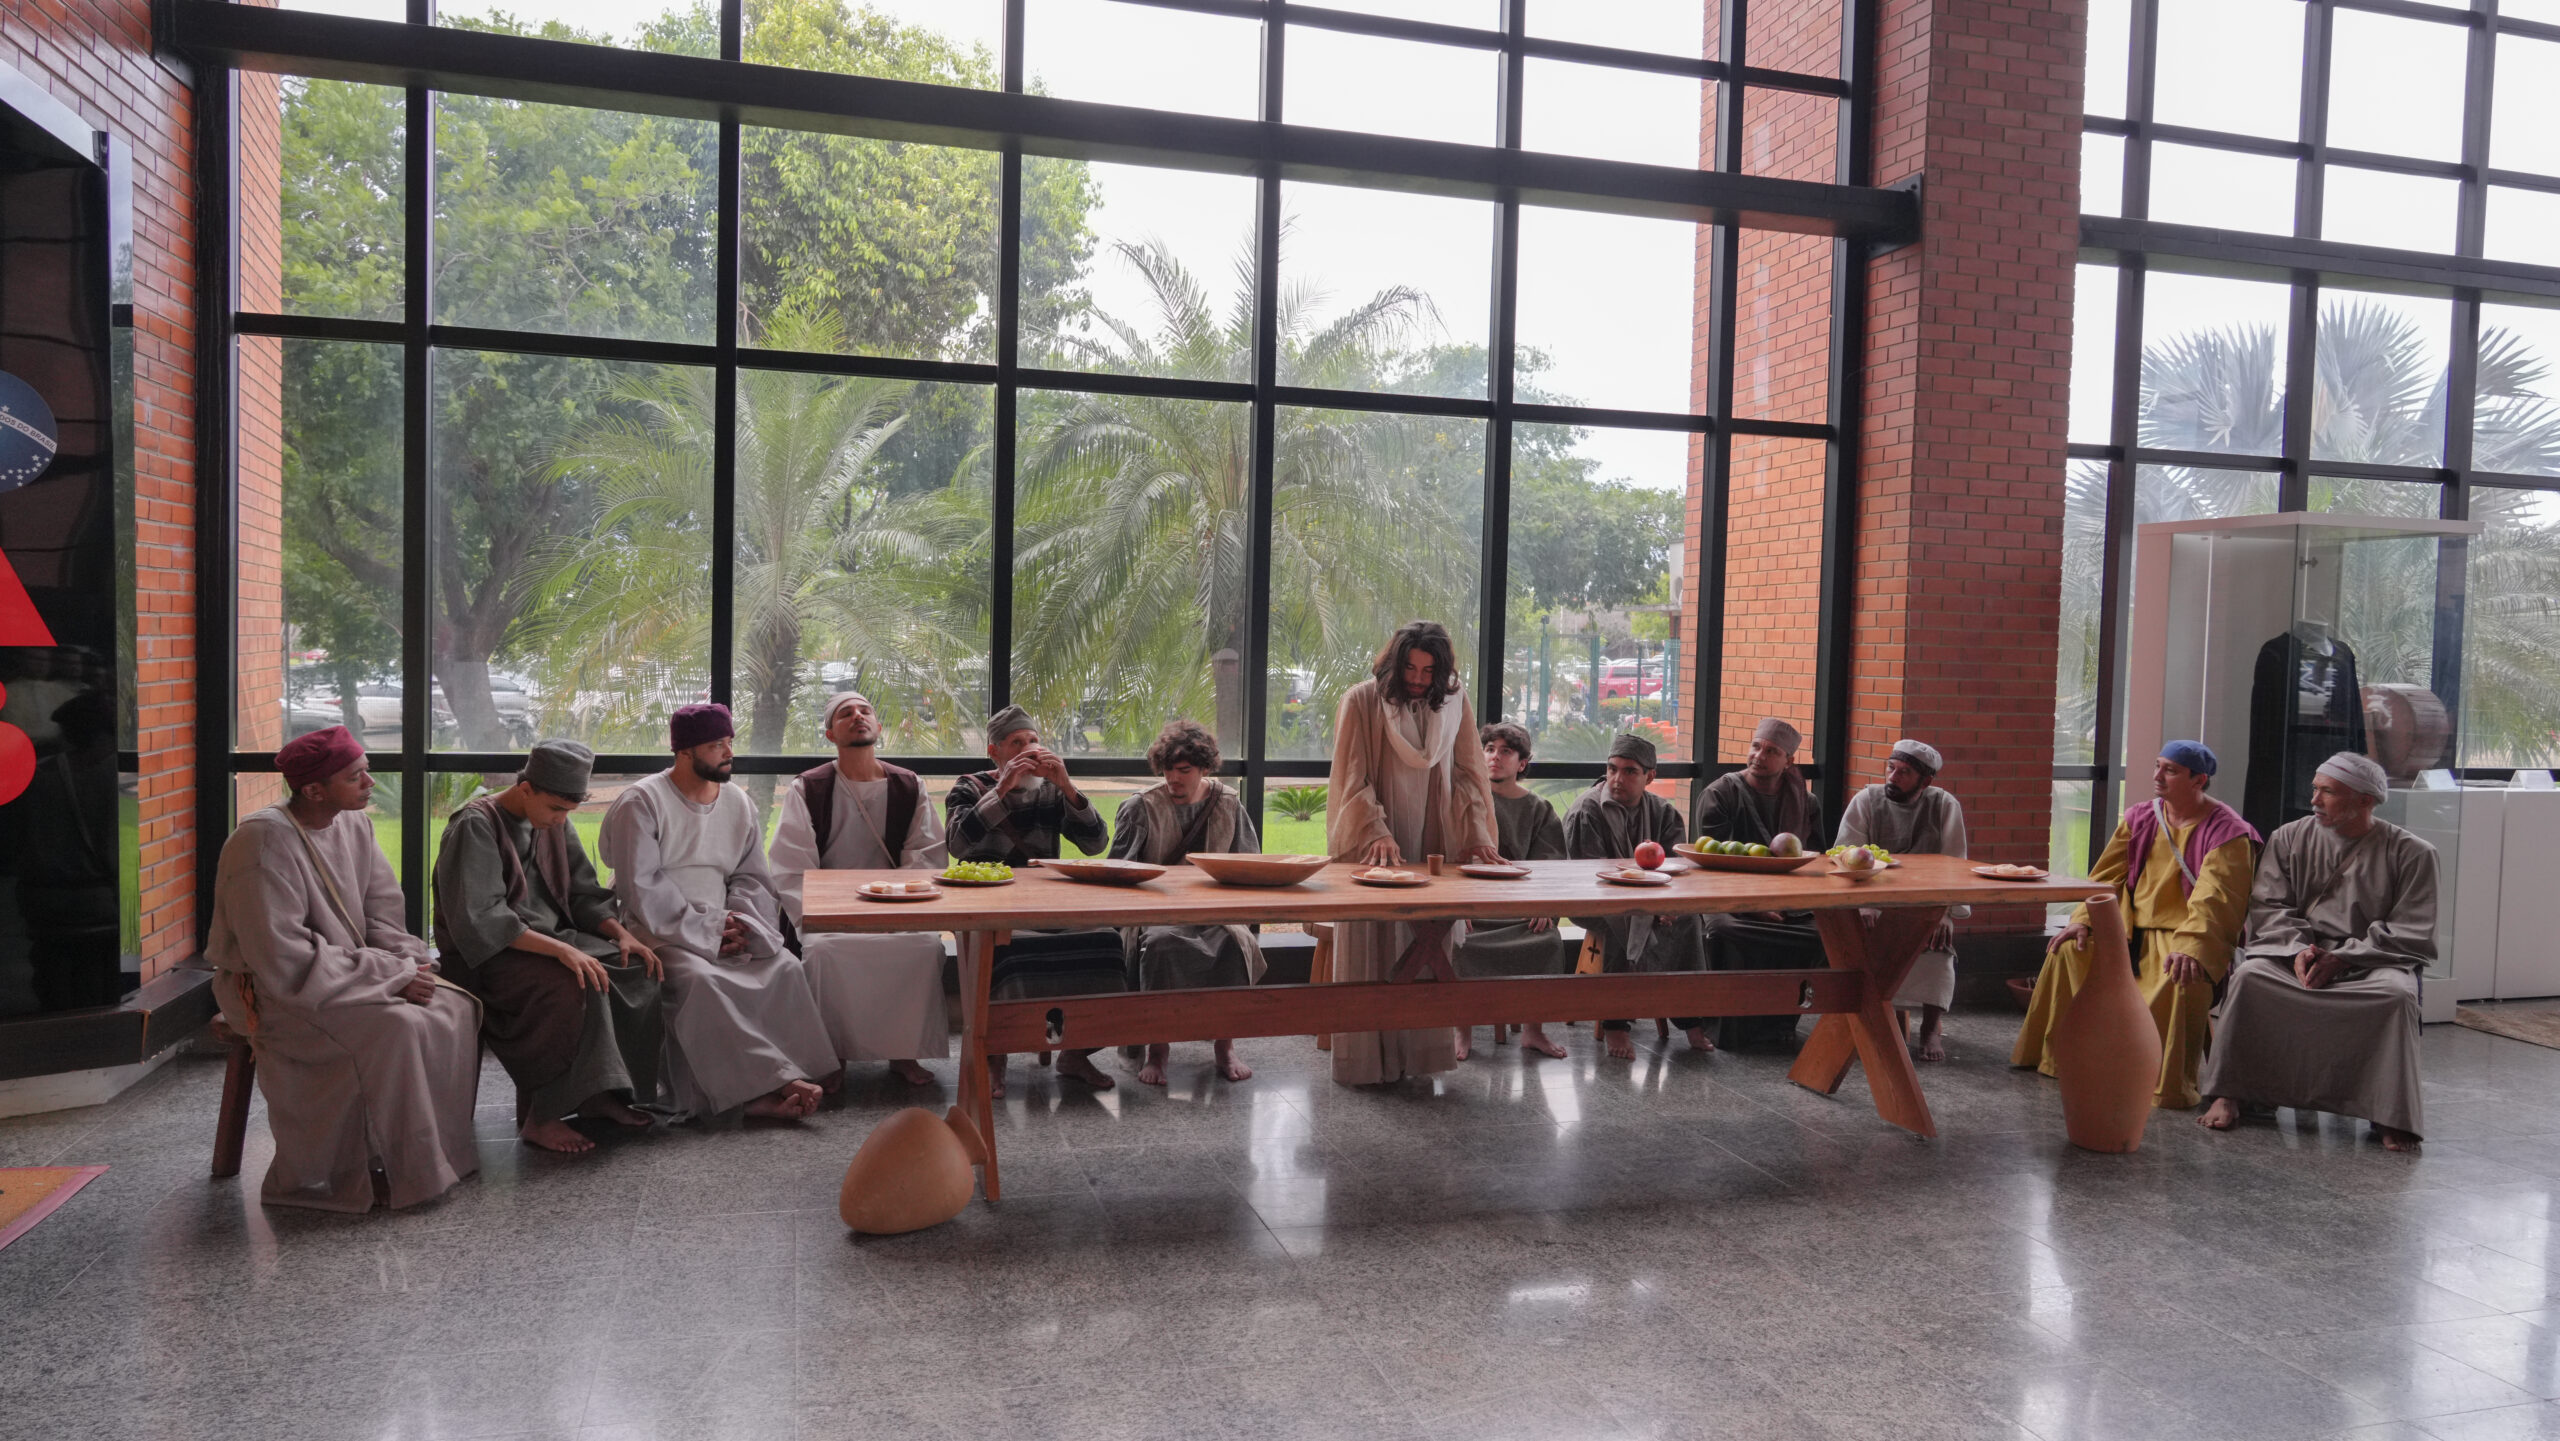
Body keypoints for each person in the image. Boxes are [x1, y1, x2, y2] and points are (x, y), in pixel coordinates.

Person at [204, 726, 480, 1211]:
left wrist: (409, 962)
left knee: (453, 1007)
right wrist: (391, 978)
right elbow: (281, 957)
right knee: (394, 1028)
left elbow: (381, 915)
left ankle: (423, 1162)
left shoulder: (354, 824)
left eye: (366, 771)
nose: (371, 783)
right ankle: (343, 1175)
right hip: (276, 991)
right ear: (314, 790)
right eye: (356, 777)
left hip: (346, 974)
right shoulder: (261, 844)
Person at [600, 703, 839, 1121]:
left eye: (729, 742)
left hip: (728, 922)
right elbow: (641, 886)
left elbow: (751, 876)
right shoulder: (642, 802)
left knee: (783, 967)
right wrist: (708, 931)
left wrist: (740, 924)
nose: (729, 753)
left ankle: (795, 1073)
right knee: (701, 981)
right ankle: (764, 1090)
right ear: (683, 751)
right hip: (655, 929)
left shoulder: (737, 802)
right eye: (715, 745)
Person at [431, 739, 666, 1154]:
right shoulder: (475, 825)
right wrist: (563, 952)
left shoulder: (553, 821)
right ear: (525, 789)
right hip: (490, 956)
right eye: (556, 809)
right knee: (572, 984)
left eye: (568, 811)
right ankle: (539, 1117)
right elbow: (481, 919)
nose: (561, 820)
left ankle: (598, 1094)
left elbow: (582, 893)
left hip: (555, 940)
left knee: (636, 969)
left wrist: (621, 934)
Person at [2200, 752, 2435, 1151]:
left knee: (2395, 995)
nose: (2314, 800)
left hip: (2374, 960)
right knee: (2250, 979)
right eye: (2314, 789)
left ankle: (2389, 1113)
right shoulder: (2288, 838)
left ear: (2365, 800)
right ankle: (2230, 1093)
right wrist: (2298, 951)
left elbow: (2411, 928)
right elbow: (2270, 906)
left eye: (2328, 792)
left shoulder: (2413, 853)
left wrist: (2345, 958)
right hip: (2294, 953)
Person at [2012, 740, 2257, 1110]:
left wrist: (2191, 947)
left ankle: (2157, 1083)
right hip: (2125, 929)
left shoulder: (2229, 833)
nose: (2157, 776)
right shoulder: (2140, 818)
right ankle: (2063, 1061)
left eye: (2170, 770)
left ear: (2199, 780)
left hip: (2182, 936)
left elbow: (2219, 900)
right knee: (2068, 952)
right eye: (2157, 766)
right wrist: (2084, 921)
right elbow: (2105, 878)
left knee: (2179, 978)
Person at [1324, 620, 1503, 1085]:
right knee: (1374, 942)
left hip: (1433, 839)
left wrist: (1476, 833)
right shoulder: (1360, 701)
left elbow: (1468, 772)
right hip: (1376, 849)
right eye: (1410, 668)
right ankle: (1366, 1061)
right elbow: (1352, 778)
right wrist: (1375, 832)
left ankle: (1420, 1056)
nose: (1419, 679)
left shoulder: (1455, 701)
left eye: (1428, 671)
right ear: (1393, 664)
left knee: (1426, 941)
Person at [768, 692, 949, 1088]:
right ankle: (832, 1056)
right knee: (824, 952)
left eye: (865, 711)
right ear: (830, 734)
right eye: (845, 714)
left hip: (895, 906)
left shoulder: (909, 785)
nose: (857, 716)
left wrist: (895, 902)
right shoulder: (808, 787)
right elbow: (791, 864)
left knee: (923, 947)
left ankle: (904, 1052)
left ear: (878, 726)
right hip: (830, 913)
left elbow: (927, 855)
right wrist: (819, 915)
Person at [946, 705, 1121, 1096]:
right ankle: (996, 1055)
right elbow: (957, 845)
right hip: (993, 906)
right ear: (994, 752)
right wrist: (1001, 790)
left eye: (1033, 740)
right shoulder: (969, 787)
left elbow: (1096, 844)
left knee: (1106, 941)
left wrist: (1068, 787)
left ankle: (1075, 1051)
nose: (1029, 749)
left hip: (1047, 904)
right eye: (1016, 743)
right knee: (1008, 949)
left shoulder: (1051, 790)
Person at [1111, 718, 1262, 1086]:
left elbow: (1249, 864)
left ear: (1204, 769)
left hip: (1214, 914)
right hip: (1156, 916)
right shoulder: (1141, 807)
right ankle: (1158, 1049)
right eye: (1167, 770)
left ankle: (1225, 1047)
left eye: (1183, 770)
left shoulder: (1227, 803)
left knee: (1235, 943)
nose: (1173, 779)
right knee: (1161, 945)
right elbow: (1116, 871)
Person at [1566, 731, 1711, 1061]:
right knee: (1626, 918)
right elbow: (1586, 876)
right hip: (1595, 901)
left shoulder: (1663, 812)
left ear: (1650, 776)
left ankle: (1691, 1019)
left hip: (1656, 900)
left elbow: (1677, 869)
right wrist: (1645, 907)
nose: (1617, 779)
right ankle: (1616, 1021)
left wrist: (1664, 906)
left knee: (1688, 920)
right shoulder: (1587, 811)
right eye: (1612, 769)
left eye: (1630, 771)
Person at [1691, 716, 1829, 1049]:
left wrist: (1783, 903)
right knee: (1724, 930)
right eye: (1756, 747)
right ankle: (1727, 1029)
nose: (1759, 756)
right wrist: (1753, 908)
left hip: (1788, 904)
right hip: (1728, 901)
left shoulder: (1805, 802)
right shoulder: (1721, 794)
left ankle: (1780, 1022)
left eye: (1771, 751)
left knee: (1825, 934)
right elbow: (1712, 866)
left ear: (1788, 761)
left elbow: (1815, 861)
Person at [1837, 738, 1969, 1062]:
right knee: (1869, 940)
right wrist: (1865, 903)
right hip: (1874, 900)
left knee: (1938, 941)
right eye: (1890, 768)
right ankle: (1885, 1017)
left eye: (1904, 772)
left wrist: (1943, 913)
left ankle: (1931, 1027)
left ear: (1925, 781)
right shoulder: (1866, 800)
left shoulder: (1944, 805)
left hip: (1926, 904)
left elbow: (1956, 866)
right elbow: (1845, 855)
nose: (1893, 777)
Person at [1452, 720, 1570, 1061]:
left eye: (1506, 751)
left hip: (1520, 910)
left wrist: (1545, 907)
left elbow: (1552, 866)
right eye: (1489, 749)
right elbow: (1449, 860)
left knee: (1547, 940)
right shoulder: (1466, 802)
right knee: (1460, 943)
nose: (1495, 757)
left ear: (1522, 763)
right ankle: (1462, 1030)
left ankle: (1534, 1031)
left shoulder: (1539, 809)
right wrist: (1456, 908)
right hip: (1473, 907)